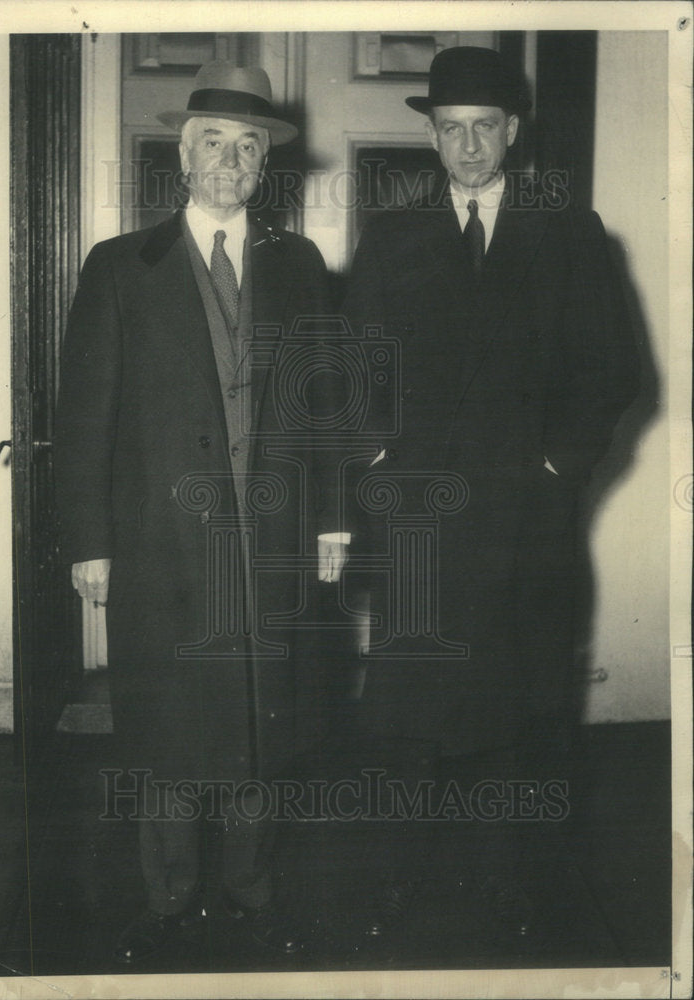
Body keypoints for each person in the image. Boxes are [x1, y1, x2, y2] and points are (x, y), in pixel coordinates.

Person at [337, 46, 640, 941]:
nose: (468, 147)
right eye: (450, 130)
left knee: (521, 708)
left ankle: (512, 896)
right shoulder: (393, 236)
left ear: (512, 132)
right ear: (430, 138)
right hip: (420, 523)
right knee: (408, 715)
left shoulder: (569, 232)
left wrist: (555, 467)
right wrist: (382, 461)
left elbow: (611, 372)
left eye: (484, 128)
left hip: (524, 522)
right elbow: (357, 366)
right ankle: (393, 895)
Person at [54, 61, 346, 964]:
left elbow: (324, 406)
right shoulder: (119, 267)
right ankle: (170, 896)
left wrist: (332, 522)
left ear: (265, 166)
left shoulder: (298, 266)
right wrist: (90, 542)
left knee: (263, 720)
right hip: (158, 543)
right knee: (168, 725)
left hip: (274, 542)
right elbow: (84, 416)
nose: (230, 160)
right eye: (212, 142)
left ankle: (251, 889)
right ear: (181, 157)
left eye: (248, 146)